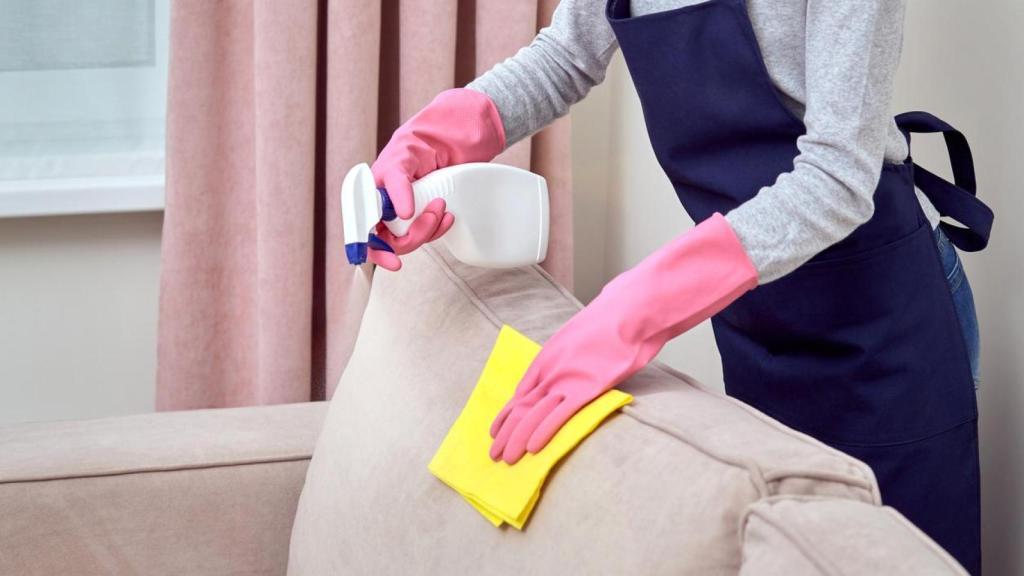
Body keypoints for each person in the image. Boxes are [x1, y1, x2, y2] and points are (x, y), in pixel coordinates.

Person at [367, 1, 993, 572]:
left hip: (883, 328)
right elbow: (568, 55)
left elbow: (838, 177)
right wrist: (441, 134)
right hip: (758, 318)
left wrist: (638, 306)